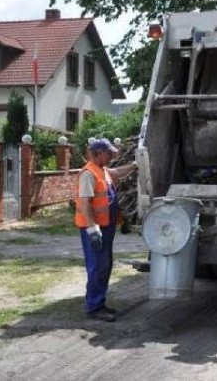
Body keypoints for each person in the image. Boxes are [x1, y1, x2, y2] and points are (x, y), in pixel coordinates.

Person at [75, 137, 138, 322]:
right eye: (109, 153)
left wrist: (135, 164)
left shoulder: (102, 171)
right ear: (100, 153)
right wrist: (92, 229)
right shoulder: (88, 174)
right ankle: (94, 307)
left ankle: (99, 303)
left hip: (106, 227)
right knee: (97, 267)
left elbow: (117, 172)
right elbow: (85, 203)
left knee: (105, 266)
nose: (111, 156)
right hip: (95, 229)